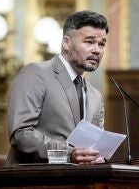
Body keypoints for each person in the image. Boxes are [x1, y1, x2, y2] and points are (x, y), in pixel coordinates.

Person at [6, 10, 108, 165]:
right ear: (66, 42)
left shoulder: (95, 96)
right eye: (89, 42)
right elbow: (21, 134)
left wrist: (96, 156)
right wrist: (69, 153)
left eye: (101, 44)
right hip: (33, 181)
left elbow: (93, 145)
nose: (97, 50)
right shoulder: (35, 73)